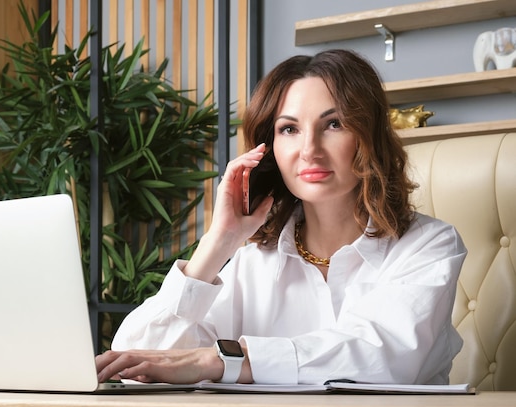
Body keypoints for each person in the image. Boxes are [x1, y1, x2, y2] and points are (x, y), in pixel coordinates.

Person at [95, 49, 467, 386]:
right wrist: (217, 243)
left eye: (333, 124)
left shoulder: (428, 246)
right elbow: (135, 361)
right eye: (289, 129)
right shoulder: (253, 261)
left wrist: (220, 360)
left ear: (369, 134)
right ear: (269, 148)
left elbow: (383, 357)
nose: (309, 150)